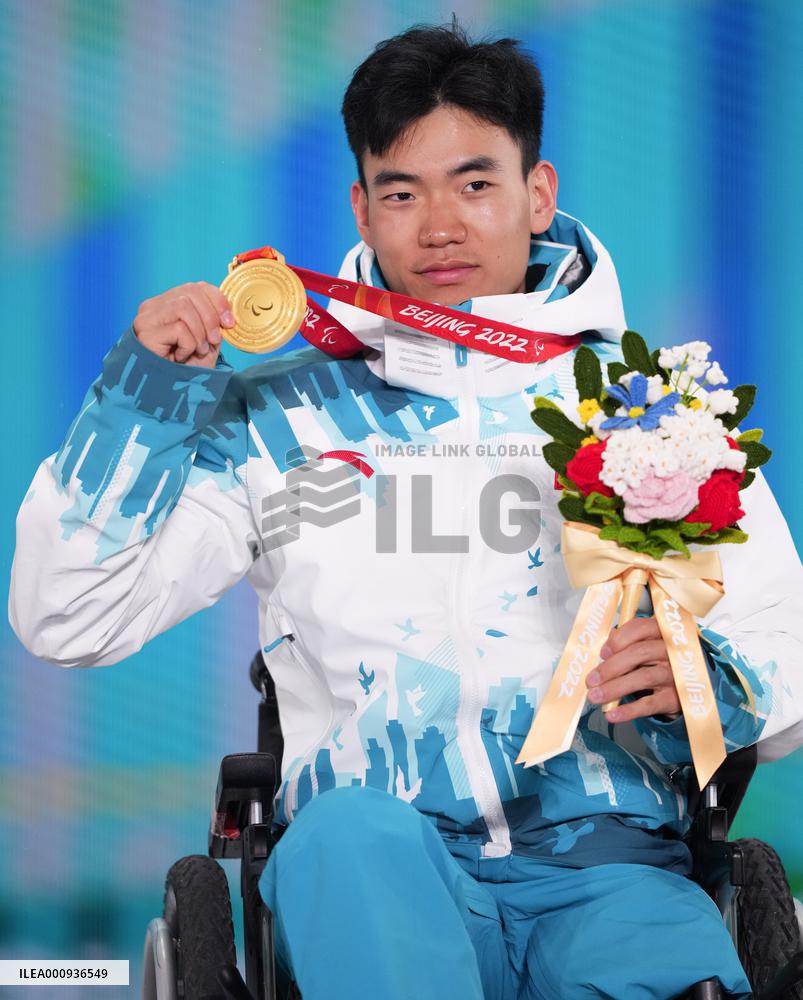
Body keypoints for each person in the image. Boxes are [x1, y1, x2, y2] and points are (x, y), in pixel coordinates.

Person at [9, 22, 803, 1000]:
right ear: (361, 206)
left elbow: (780, 639)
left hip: (611, 868)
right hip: (370, 865)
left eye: (474, 184)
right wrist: (138, 403)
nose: (437, 227)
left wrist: (706, 674)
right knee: (353, 835)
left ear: (536, 191)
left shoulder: (651, 408)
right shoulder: (277, 418)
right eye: (401, 191)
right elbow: (63, 617)